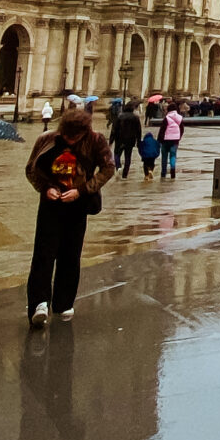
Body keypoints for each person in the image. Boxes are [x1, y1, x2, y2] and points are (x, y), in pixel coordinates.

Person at [24, 103, 113, 327]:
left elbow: (108, 168)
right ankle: (39, 303)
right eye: (67, 136)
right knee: (43, 254)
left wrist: (82, 190)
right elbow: (30, 169)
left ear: (85, 132)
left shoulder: (96, 141)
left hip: (78, 204)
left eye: (76, 137)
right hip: (51, 204)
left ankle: (64, 303)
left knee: (70, 254)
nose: (71, 140)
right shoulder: (47, 140)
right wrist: (45, 188)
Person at [108, 99, 139, 179]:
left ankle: (118, 167)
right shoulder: (135, 117)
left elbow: (114, 129)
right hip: (131, 140)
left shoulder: (119, 116)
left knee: (117, 154)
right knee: (128, 157)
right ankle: (125, 174)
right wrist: (139, 141)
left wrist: (111, 141)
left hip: (119, 139)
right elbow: (138, 130)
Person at [160, 103, 184, 178]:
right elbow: (182, 129)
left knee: (164, 156)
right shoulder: (180, 118)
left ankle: (163, 172)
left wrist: (159, 140)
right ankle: (172, 171)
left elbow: (162, 130)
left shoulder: (166, 118)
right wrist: (178, 137)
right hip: (175, 140)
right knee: (173, 156)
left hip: (166, 139)